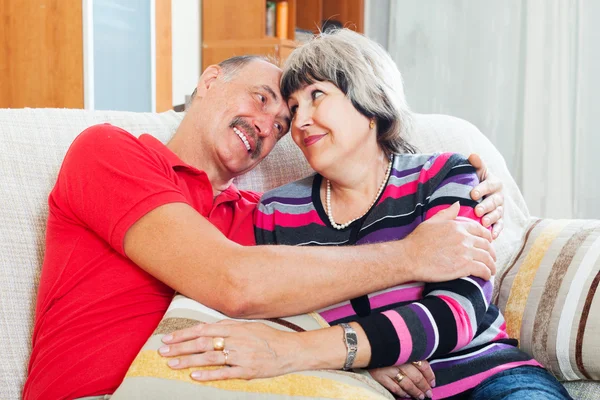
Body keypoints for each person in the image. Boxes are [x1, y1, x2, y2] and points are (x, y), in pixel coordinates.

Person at [24, 53, 503, 399]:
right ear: (210, 81)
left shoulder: (261, 216)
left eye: (281, 123)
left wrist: (476, 193)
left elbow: (320, 283)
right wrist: (413, 253)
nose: (269, 125)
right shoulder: (110, 152)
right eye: (261, 99)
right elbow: (233, 282)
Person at [159, 30, 573, 400]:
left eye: (317, 95)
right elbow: (276, 310)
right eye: (294, 107)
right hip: (363, 388)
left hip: (488, 379)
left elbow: (456, 314)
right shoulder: (276, 210)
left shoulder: (446, 175)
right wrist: (363, 359)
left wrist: (349, 348)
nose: (300, 121)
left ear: (369, 103)